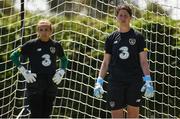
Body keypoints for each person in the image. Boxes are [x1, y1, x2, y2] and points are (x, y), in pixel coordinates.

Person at [93, 4, 154, 118]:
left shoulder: (138, 37)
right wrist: (99, 81)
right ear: (116, 17)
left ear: (130, 17)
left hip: (134, 81)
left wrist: (148, 81)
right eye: (120, 15)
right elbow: (105, 62)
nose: (123, 18)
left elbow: (144, 62)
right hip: (115, 82)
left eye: (126, 15)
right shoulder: (111, 38)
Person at [10, 19, 68, 118]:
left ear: (51, 31)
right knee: (36, 114)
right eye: (41, 30)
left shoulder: (56, 45)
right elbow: (13, 56)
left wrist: (61, 72)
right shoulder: (31, 44)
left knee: (46, 115)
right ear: (37, 31)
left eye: (46, 29)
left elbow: (64, 60)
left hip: (51, 83)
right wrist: (24, 72)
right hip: (35, 83)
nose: (43, 32)